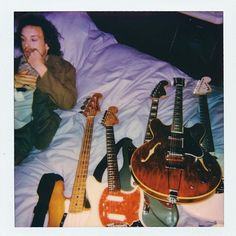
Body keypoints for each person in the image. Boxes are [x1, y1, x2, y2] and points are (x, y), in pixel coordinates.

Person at [14, 14, 78, 165]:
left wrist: (40, 67)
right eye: (23, 39)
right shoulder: (12, 64)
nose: (27, 46)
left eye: (34, 39)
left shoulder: (62, 68)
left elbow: (68, 102)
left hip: (23, 130)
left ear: (47, 44)